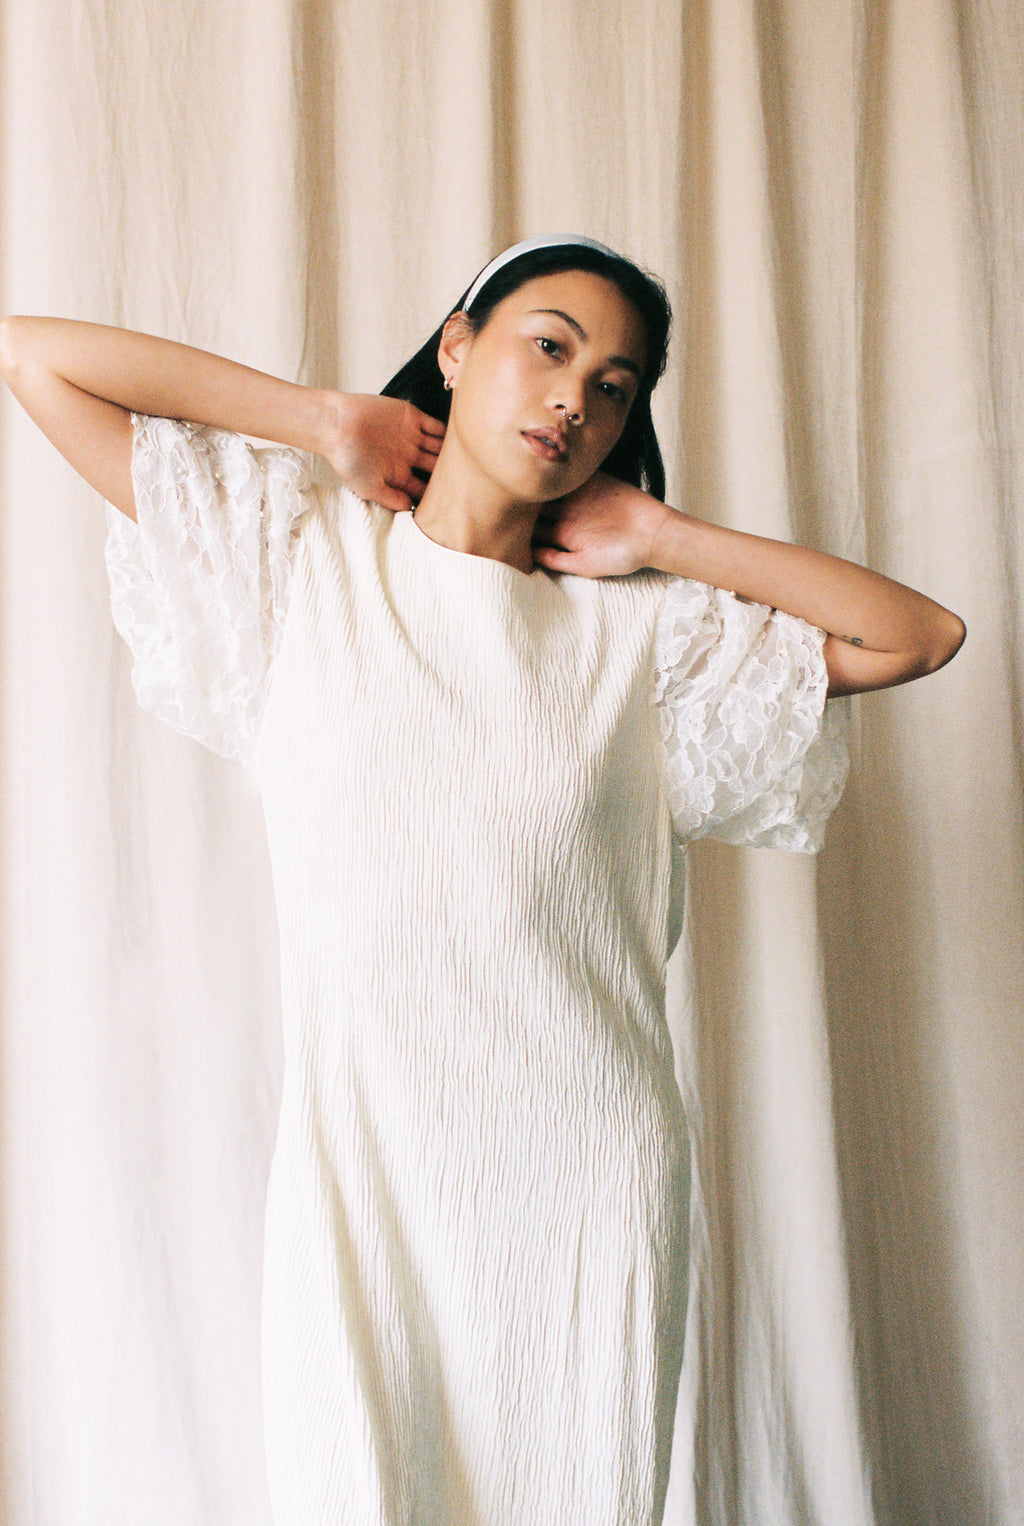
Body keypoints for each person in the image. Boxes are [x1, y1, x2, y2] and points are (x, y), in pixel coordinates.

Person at [0, 234, 964, 1526]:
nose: (576, 397)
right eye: (549, 345)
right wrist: (322, 418)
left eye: (617, 384)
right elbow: (34, 355)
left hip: (584, 1194)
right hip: (367, 1172)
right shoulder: (293, 561)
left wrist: (667, 533)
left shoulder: (645, 639)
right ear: (458, 347)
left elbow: (917, 633)